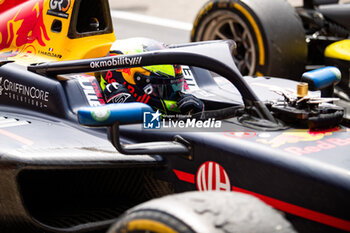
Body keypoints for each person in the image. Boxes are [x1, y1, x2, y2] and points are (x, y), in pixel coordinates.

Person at [96, 38, 204, 115]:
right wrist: (127, 112)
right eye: (161, 90)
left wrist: (198, 115)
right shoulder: (94, 111)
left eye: (175, 87)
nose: (173, 98)